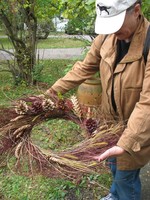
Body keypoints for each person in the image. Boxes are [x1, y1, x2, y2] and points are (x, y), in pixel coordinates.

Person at [46, 0, 150, 199]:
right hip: (109, 124)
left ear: (136, 11)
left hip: (136, 128)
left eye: (116, 24)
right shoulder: (105, 38)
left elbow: (148, 102)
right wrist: (52, 92)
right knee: (113, 166)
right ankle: (114, 194)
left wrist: (126, 142)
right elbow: (84, 68)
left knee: (126, 177)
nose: (113, 32)